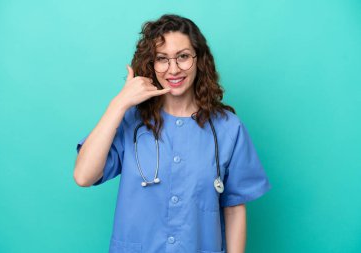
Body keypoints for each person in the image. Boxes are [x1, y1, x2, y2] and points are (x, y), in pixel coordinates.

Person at [74, 14, 271, 253]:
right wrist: (119, 104)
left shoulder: (228, 127)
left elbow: (234, 208)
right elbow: (84, 176)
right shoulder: (131, 121)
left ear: (199, 59)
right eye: (162, 59)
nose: (173, 69)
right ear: (151, 63)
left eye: (183, 57)